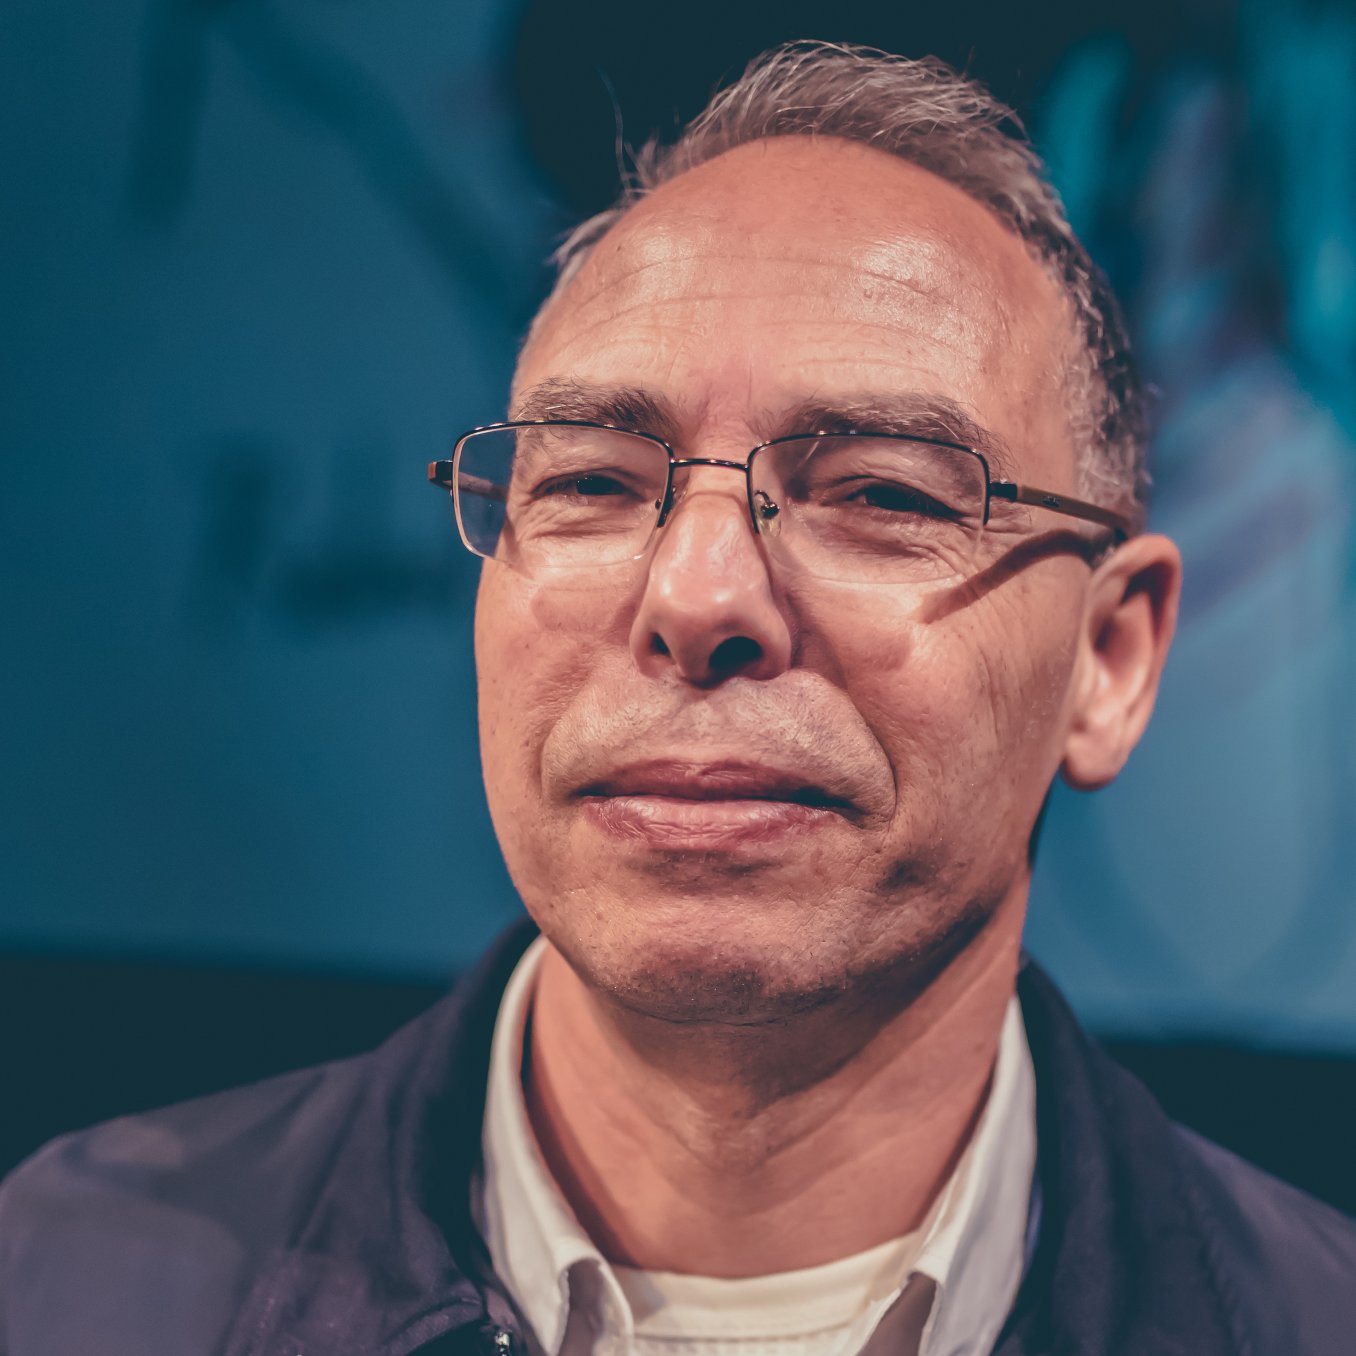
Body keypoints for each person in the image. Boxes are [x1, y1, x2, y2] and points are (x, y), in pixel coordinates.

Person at [2, 39, 1353, 1356]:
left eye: (883, 492)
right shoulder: (60, 1284)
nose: (698, 597)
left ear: (1110, 658)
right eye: (592, 481)